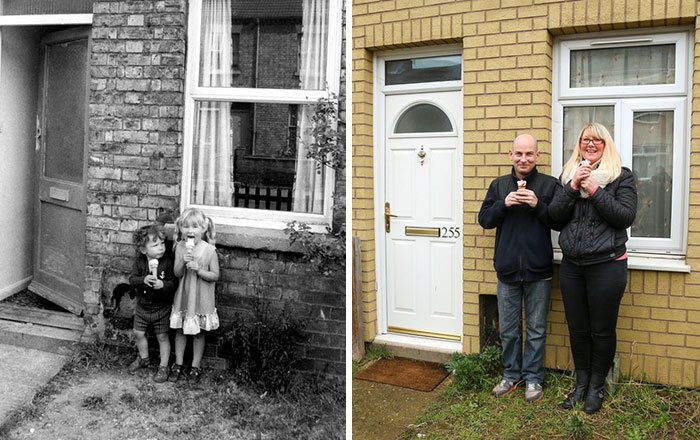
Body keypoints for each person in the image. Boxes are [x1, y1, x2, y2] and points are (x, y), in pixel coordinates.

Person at [548, 122, 637, 414]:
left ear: (606, 145)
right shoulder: (567, 177)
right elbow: (554, 218)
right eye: (586, 139)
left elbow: (624, 216)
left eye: (597, 140)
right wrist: (574, 186)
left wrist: (594, 189)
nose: (590, 144)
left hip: (607, 265)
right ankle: (581, 384)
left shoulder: (621, 177)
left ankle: (596, 387)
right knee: (577, 328)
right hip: (573, 266)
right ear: (579, 144)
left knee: (601, 329)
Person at [478, 134, 560, 403]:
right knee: (509, 329)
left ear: (538, 156)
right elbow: (485, 220)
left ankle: (534, 378)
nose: (523, 159)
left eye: (529, 154)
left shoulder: (549, 184)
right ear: (510, 155)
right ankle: (511, 375)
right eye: (519, 154)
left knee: (536, 329)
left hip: (539, 270)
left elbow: (559, 221)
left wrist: (538, 205)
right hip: (508, 269)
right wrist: (504, 204)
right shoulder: (499, 185)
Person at [168, 208, 220, 383]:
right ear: (180, 229)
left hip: (200, 297)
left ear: (203, 229)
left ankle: (195, 366)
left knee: (198, 333)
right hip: (184, 295)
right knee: (180, 330)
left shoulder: (209, 250)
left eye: (195, 227)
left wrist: (199, 270)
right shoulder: (180, 247)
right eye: (186, 226)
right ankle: (178, 363)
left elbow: (215, 276)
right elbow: (176, 273)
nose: (190, 231)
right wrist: (183, 261)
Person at [128, 224, 178, 383]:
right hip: (143, 307)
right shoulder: (140, 262)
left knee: (163, 336)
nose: (161, 248)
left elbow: (173, 284)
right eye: (155, 244)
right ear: (144, 249)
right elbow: (132, 280)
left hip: (161, 308)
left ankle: (164, 366)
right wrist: (143, 280)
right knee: (138, 333)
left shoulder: (167, 263)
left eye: (162, 243)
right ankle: (144, 358)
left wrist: (163, 285)